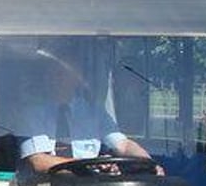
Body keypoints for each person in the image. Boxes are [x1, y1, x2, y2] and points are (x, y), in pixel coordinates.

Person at [18, 48, 161, 175]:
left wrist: (148, 163)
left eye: (63, 72)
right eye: (53, 72)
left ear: (76, 77)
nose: (56, 78)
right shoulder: (30, 113)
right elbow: (38, 161)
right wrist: (92, 165)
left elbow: (123, 144)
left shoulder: (94, 113)